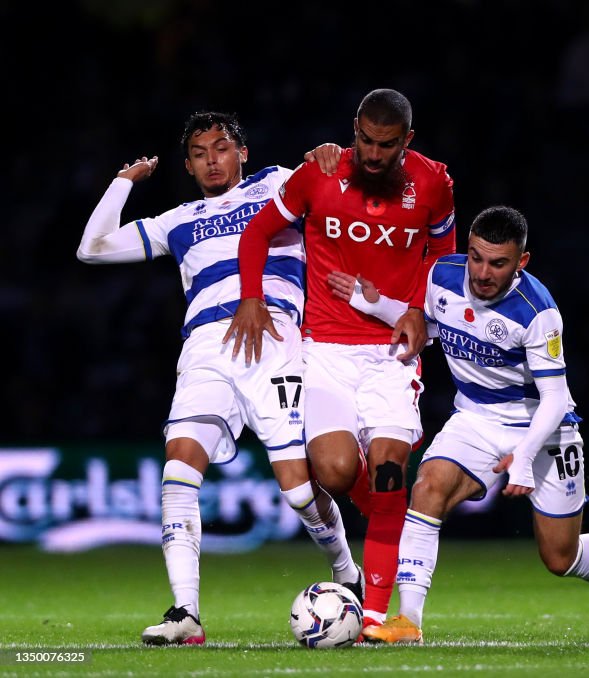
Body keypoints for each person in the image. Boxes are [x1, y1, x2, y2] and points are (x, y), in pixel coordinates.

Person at [76, 111, 362, 645]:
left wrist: (328, 155)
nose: (213, 159)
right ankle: (185, 613)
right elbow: (90, 247)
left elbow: (341, 177)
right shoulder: (176, 220)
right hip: (206, 352)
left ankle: (346, 572)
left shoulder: (276, 184)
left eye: (222, 147)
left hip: (275, 345)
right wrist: (123, 182)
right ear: (188, 166)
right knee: (179, 468)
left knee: (299, 492)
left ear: (242, 153)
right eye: (201, 153)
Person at [326, 206, 589, 643]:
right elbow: (427, 325)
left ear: (521, 263)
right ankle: (408, 619)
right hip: (474, 417)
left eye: (498, 263)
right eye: (476, 257)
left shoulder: (537, 312)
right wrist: (371, 303)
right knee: (427, 486)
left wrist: (524, 457)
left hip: (542, 429)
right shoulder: (441, 275)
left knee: (560, 556)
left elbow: (555, 397)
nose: (483, 272)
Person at [225, 89, 456, 627]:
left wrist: (420, 311)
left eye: (388, 145)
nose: (374, 155)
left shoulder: (433, 183)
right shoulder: (318, 173)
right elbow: (258, 233)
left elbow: (444, 257)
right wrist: (252, 297)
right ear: (354, 129)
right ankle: (396, 528)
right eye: (367, 142)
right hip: (324, 348)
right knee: (332, 470)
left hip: (391, 355)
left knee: (391, 471)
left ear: (408, 140)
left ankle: (375, 617)